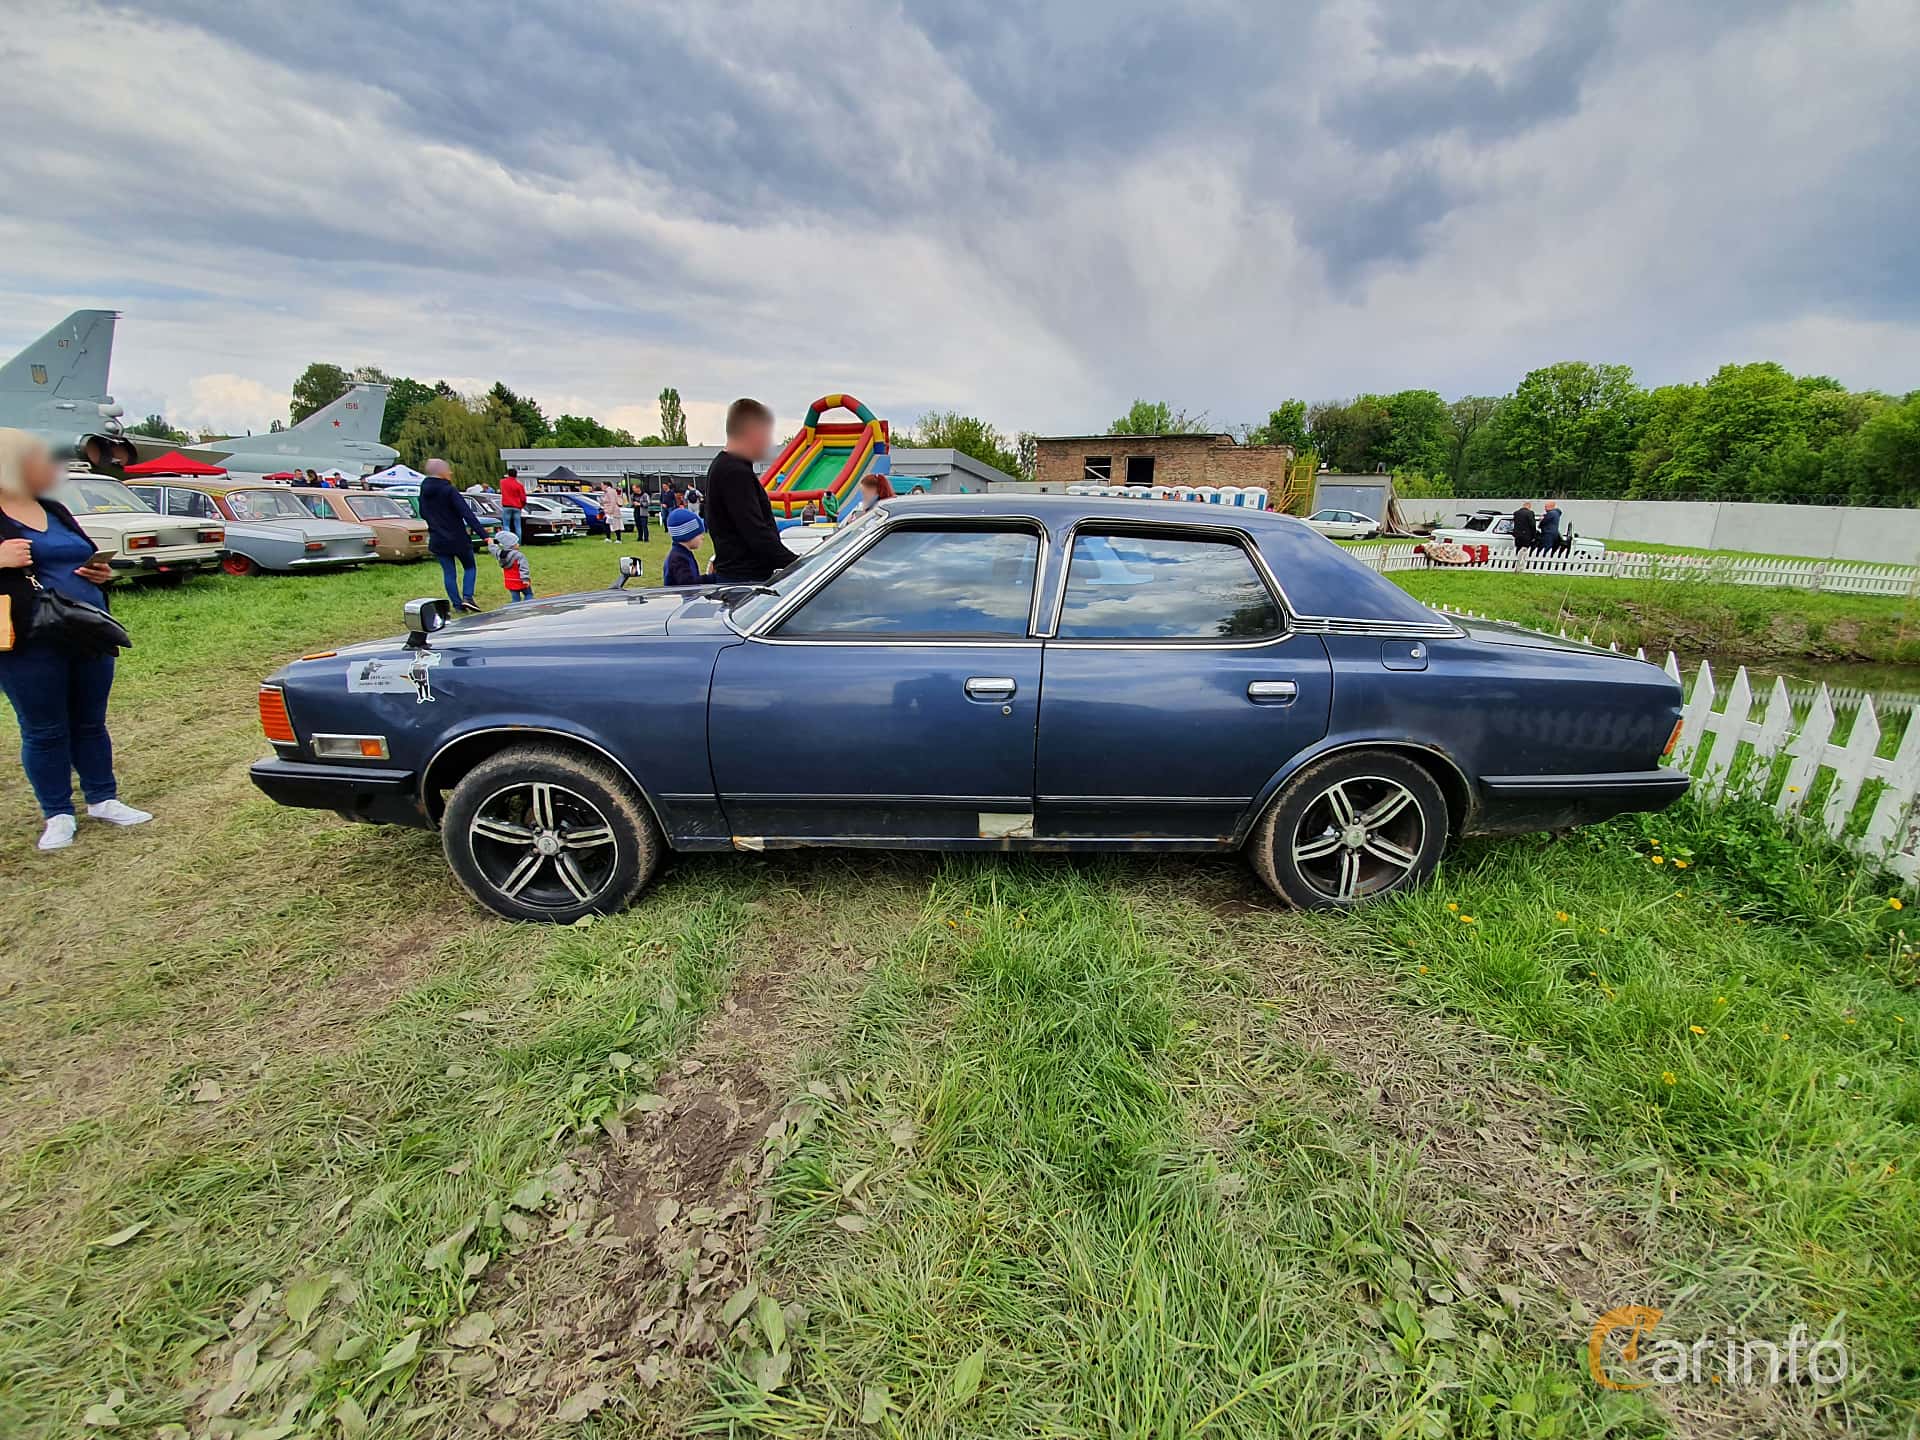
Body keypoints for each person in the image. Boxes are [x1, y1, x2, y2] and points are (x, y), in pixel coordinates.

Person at [0, 429, 151, 851]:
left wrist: (98, 573)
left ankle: (103, 798)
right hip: (28, 640)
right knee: (44, 729)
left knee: (90, 721)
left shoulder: (54, 509)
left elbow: (77, 554)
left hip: (85, 627)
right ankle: (57, 813)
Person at [704, 398, 797, 584]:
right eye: (765, 435)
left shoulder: (727, 466)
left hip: (739, 576)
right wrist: (797, 565)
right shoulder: (735, 473)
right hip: (744, 579)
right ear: (751, 433)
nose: (768, 443)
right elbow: (755, 532)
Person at [418, 458, 489, 613]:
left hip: (437, 538)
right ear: (442, 472)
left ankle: (457, 605)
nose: (450, 472)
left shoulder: (424, 491)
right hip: (457, 537)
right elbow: (467, 513)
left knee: (449, 573)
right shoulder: (449, 490)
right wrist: (484, 535)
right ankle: (467, 597)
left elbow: (422, 513)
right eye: (448, 470)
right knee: (470, 567)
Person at [662, 507, 707, 586]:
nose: (702, 537)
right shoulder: (678, 558)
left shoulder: (684, 553)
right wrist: (713, 578)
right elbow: (688, 585)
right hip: (677, 598)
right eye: (699, 534)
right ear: (688, 535)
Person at [489, 531, 533, 602]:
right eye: (516, 543)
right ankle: (528, 607)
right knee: (528, 594)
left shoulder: (500, 554)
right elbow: (524, 568)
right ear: (512, 545)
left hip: (510, 582)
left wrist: (491, 543)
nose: (518, 544)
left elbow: (494, 549)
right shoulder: (519, 555)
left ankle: (514, 611)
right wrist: (525, 579)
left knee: (515, 599)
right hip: (521, 581)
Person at [499, 466, 526, 538]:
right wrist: (522, 505)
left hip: (506, 505)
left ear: (508, 474)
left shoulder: (502, 482)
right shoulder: (519, 485)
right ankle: (518, 542)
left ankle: (508, 541)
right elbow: (523, 498)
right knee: (517, 525)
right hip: (517, 506)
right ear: (516, 475)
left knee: (506, 525)